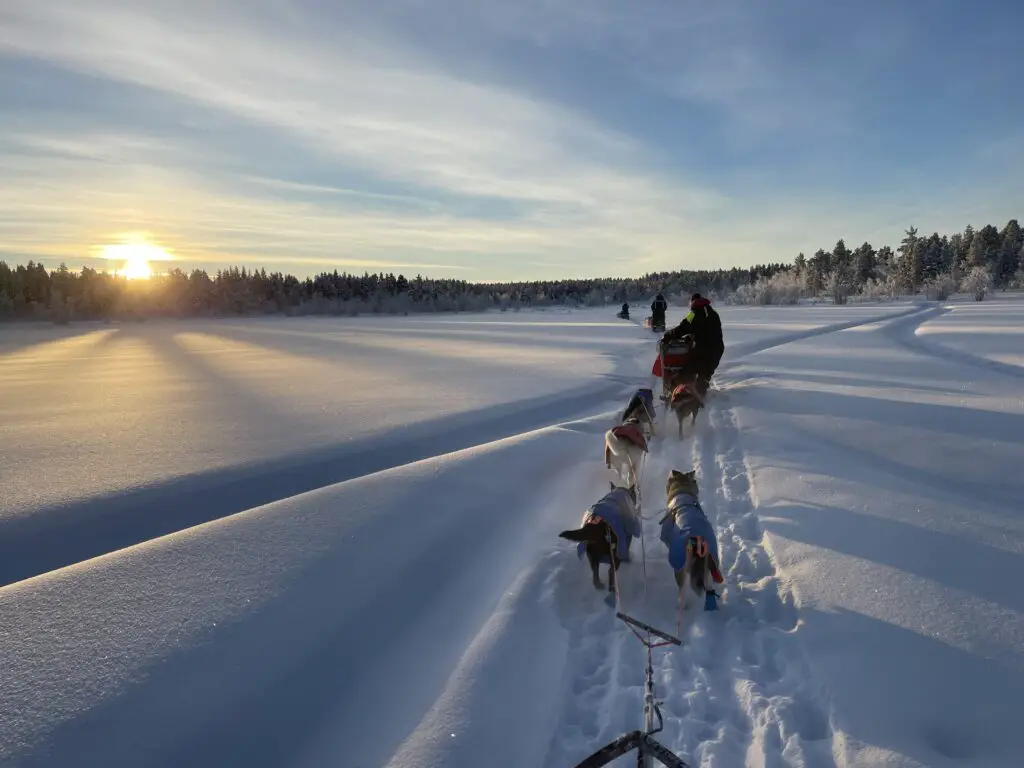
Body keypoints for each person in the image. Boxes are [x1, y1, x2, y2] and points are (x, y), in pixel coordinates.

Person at [662, 293, 723, 397]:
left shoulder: (693, 314)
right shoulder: (713, 313)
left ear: (692, 302)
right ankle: (700, 396)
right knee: (704, 377)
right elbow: (709, 332)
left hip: (702, 352)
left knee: (684, 374)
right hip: (717, 351)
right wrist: (691, 337)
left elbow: (681, 329)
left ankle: (673, 395)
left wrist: (668, 335)